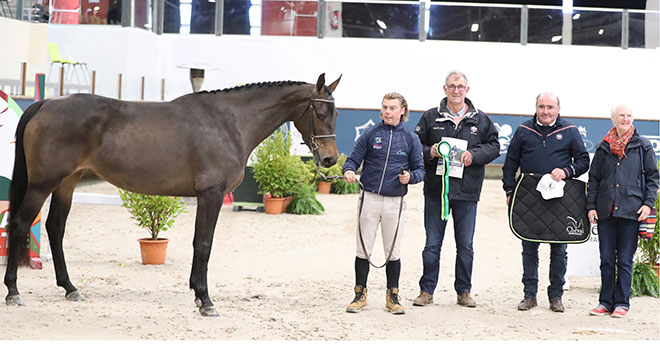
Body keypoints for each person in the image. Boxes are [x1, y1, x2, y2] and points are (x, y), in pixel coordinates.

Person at [412, 71, 500, 308]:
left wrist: (476, 154)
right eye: (452, 86)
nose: (456, 90)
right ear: (445, 89)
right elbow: (414, 145)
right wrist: (428, 152)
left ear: (467, 90)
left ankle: (464, 291)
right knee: (432, 244)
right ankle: (426, 291)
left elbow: (494, 146)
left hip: (467, 193)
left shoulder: (481, 120)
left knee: (465, 246)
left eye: (461, 86)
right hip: (436, 192)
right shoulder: (431, 117)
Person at [502, 92, 590, 312]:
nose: (546, 111)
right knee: (529, 247)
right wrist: (509, 189)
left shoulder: (569, 131)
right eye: (542, 106)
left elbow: (583, 161)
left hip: (559, 198)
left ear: (558, 109)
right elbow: (510, 163)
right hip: (528, 196)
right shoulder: (524, 130)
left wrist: (566, 170)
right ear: (536, 107)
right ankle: (529, 295)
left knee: (559, 250)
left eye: (550, 107)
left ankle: (556, 296)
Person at [342, 92, 425, 315]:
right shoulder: (370, 133)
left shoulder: (410, 138)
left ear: (402, 111)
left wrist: (411, 178)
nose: (387, 112)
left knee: (393, 251)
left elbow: (420, 169)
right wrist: (349, 169)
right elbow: (353, 159)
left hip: (395, 202)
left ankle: (393, 296)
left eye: (392, 108)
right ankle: (360, 294)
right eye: (385, 107)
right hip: (369, 198)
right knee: (363, 249)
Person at [586, 105, 659, 318]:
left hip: (632, 211)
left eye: (628, 116)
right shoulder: (602, 147)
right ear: (613, 119)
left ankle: (622, 304)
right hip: (606, 212)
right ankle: (605, 302)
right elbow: (594, 179)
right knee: (606, 260)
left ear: (633, 119)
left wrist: (647, 203)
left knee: (625, 260)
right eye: (621, 116)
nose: (625, 119)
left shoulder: (643, 146)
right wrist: (591, 206)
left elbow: (654, 177)